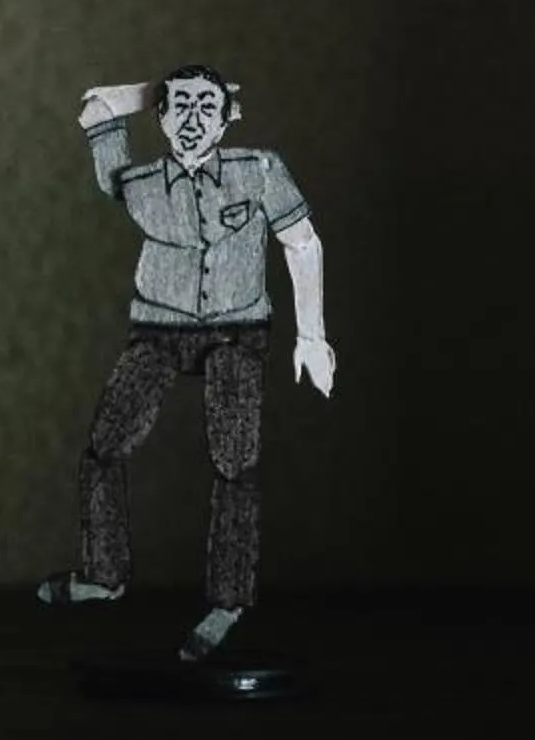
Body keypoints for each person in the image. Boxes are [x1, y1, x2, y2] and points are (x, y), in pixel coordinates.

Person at [38, 65, 334, 665]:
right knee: (104, 445)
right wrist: (159, 91)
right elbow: (95, 108)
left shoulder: (259, 171)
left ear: (229, 117)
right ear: (164, 119)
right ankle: (103, 572)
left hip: (237, 330)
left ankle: (229, 600)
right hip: (159, 327)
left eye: (209, 108)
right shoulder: (141, 181)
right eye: (182, 109)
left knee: (234, 462)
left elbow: (302, 241)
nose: (194, 120)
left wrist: (312, 335)